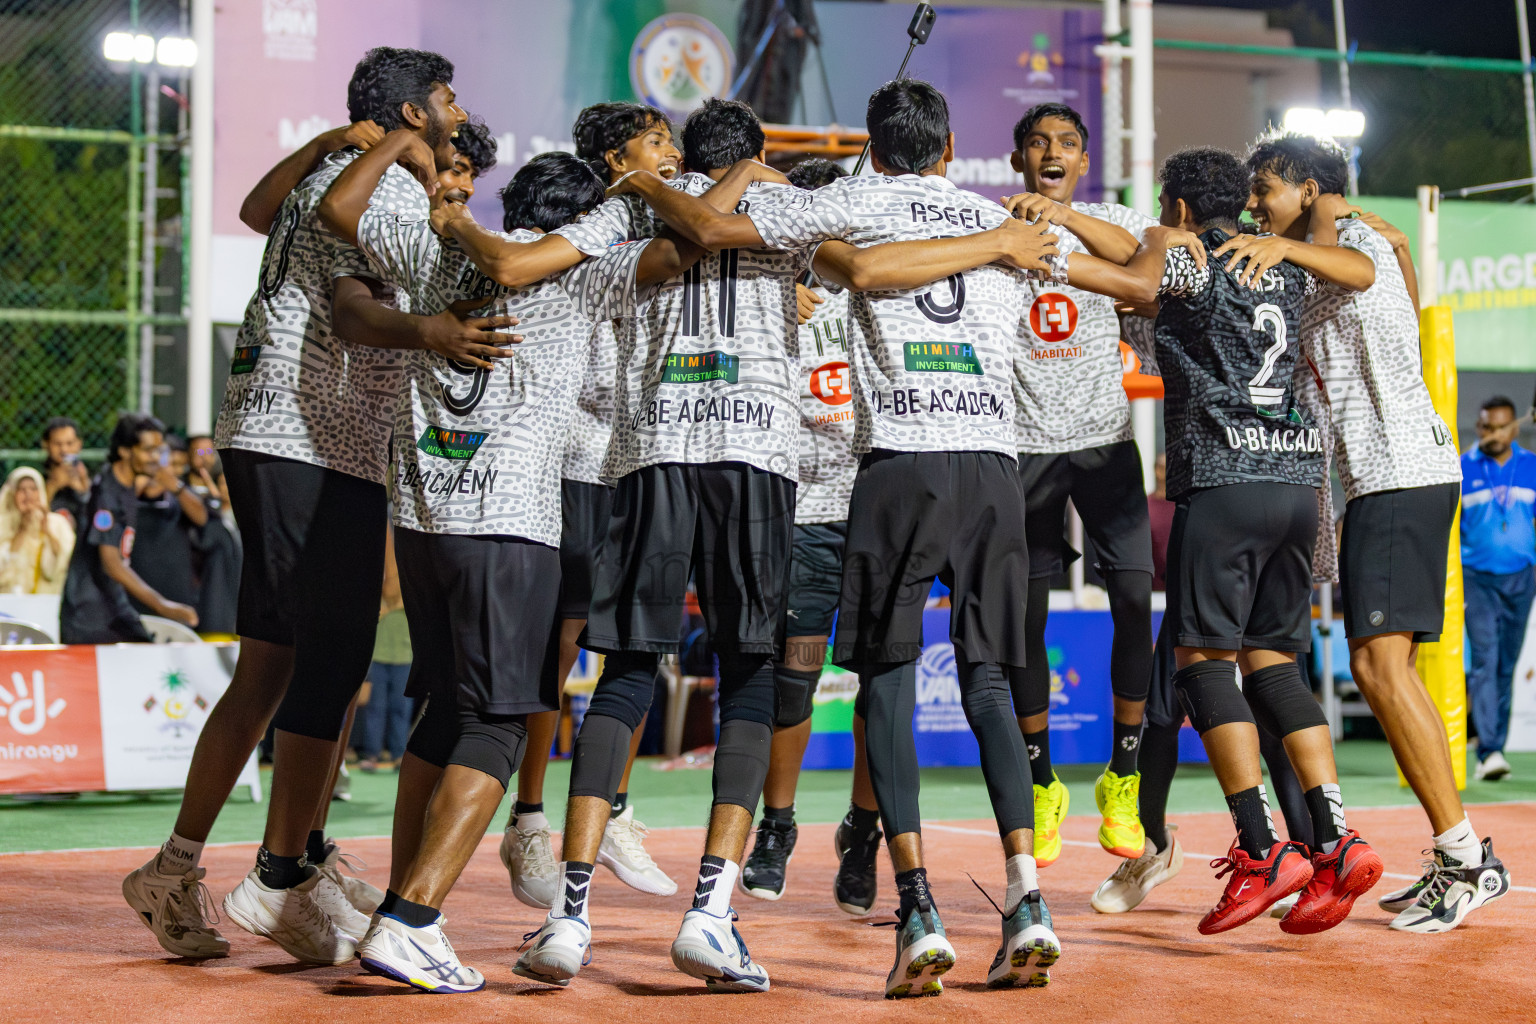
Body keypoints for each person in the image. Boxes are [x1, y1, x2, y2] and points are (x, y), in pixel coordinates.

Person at [610, 80, 1065, 995]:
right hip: (995, 469)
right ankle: (1027, 895)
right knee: (988, 681)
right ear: (945, 150)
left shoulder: (843, 204)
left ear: (874, 144)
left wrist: (648, 183)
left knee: (886, 681)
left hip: (900, 465)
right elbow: (1111, 277)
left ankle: (919, 907)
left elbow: (713, 231)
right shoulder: (996, 215)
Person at [323, 122, 702, 989]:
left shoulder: (429, 251)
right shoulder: (580, 267)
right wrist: (648, 188)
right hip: (509, 528)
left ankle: (402, 906)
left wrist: (419, 185)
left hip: (423, 526)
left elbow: (344, 213)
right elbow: (686, 248)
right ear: (579, 218)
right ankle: (413, 920)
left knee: (446, 716)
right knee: (497, 723)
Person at [121, 47, 466, 965]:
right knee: (333, 650)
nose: (459, 114)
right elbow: (395, 297)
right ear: (406, 112)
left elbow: (257, 212)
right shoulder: (379, 186)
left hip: (305, 437)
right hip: (306, 438)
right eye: (446, 100)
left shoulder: (335, 166)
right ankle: (281, 873)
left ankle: (194, 864)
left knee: (273, 663)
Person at [512, 98, 806, 995]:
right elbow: (843, 269)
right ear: (752, 152)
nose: (664, 153)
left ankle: (569, 918)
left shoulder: (626, 209)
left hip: (651, 458)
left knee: (628, 671)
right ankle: (712, 917)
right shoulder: (775, 199)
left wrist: (644, 182)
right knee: (752, 675)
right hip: (754, 453)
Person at [1060, 146, 1383, 935]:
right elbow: (1351, 264)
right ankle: (1337, 840)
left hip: (1226, 483)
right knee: (1274, 663)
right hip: (1298, 486)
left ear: (1173, 210)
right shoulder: (1283, 264)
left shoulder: (1191, 260)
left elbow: (1139, 276)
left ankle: (1262, 846)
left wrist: (1049, 255)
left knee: (1200, 663)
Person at [1224, 132, 1510, 933]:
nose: (1255, 205)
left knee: (1378, 670)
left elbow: (1361, 267)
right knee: (1391, 673)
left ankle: (1464, 861)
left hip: (1399, 476)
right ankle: (1460, 854)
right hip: (1384, 484)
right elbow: (1391, 293)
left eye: (1267, 191)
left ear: (1311, 188)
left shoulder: (1352, 242)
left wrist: (1287, 240)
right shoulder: (1344, 249)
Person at [499, 100, 683, 911]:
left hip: (638, 468)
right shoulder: (581, 237)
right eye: (656, 142)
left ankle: (610, 806)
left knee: (637, 651)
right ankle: (530, 818)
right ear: (615, 159)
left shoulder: (669, 229)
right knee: (558, 649)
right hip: (567, 469)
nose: (672, 153)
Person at [999, 102, 1158, 866]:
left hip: (1104, 445)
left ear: (1082, 161)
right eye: (1038, 143)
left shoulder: (1105, 217)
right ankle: (1042, 784)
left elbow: (1138, 256)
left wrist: (1063, 216)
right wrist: (1019, 228)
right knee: (1023, 618)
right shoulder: (998, 226)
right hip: (1024, 449)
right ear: (1017, 158)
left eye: (1065, 143)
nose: (1052, 152)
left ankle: (1120, 779)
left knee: (1133, 596)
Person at [738, 157, 860, 904]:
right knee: (795, 681)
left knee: (885, 681)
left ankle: (868, 833)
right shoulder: (758, 293)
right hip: (803, 518)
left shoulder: (883, 283)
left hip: (881, 511)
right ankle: (776, 827)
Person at [60, 413, 198, 643]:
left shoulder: (125, 487)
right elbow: (111, 563)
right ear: (125, 450)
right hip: (89, 616)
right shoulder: (106, 496)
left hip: (113, 606)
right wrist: (162, 605)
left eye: (158, 450)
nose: (156, 458)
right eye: (148, 450)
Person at [1461, 396, 1536, 785]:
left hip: (1522, 578)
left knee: (1506, 665)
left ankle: (1495, 748)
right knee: (1485, 661)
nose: (1492, 434)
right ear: (1479, 427)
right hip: (1477, 578)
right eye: (1486, 427)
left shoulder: (1531, 465)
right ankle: (1489, 750)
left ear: (1515, 428)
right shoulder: (1463, 467)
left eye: (1500, 427)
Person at [129, 435, 210, 619]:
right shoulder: (129, 493)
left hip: (176, 598)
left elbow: (201, 517)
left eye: (175, 465)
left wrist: (174, 485)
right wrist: (140, 484)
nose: (162, 468)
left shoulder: (181, 495)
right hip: (134, 599)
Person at [356, 529, 412, 772]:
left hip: (405, 657)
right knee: (375, 708)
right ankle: (372, 755)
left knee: (401, 708)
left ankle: (400, 754)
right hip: (378, 655)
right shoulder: (375, 581)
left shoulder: (411, 583)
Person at [0, 467, 74, 595]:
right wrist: (22, 530)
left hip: (47, 603)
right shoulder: (2, 524)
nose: (28, 494)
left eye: (33, 489)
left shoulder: (58, 524)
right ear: (12, 493)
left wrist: (47, 532)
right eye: (22, 490)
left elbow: (63, 564)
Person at [40, 417, 91, 531]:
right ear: (46, 444)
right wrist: (53, 486)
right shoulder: (36, 475)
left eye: (69, 443)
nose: (64, 450)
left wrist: (83, 488)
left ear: (79, 444)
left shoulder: (86, 473)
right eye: (57, 444)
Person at [1147, 453, 1174, 591]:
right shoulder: (1146, 506)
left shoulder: (1185, 506)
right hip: (1153, 590)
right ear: (1156, 470)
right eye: (1163, 467)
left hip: (1179, 587)